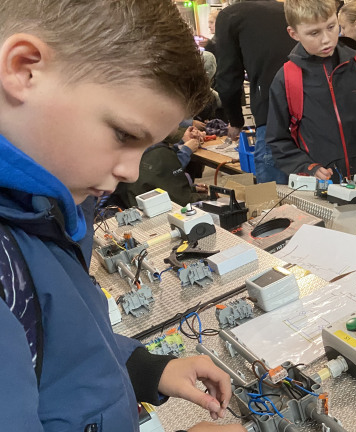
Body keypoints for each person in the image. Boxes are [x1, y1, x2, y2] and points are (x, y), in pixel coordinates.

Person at [0, 1, 244, 431]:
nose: (131, 172)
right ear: (24, 69)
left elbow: (61, 341)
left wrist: (143, 369)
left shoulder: (44, 204)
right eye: (123, 135)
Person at [266, 0, 356, 182]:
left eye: (331, 27)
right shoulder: (287, 78)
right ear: (294, 33)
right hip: (319, 184)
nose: (326, 39)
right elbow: (277, 140)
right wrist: (307, 167)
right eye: (314, 33)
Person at [216, 0, 295, 184]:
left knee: (273, 202)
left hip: (272, 115)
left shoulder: (231, 16)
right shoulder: (287, 9)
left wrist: (235, 120)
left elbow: (228, 77)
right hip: (313, 115)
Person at [110, 127, 209, 209]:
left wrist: (192, 189)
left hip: (127, 201)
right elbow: (182, 201)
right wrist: (186, 151)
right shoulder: (159, 154)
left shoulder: (138, 146)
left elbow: (160, 175)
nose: (179, 126)